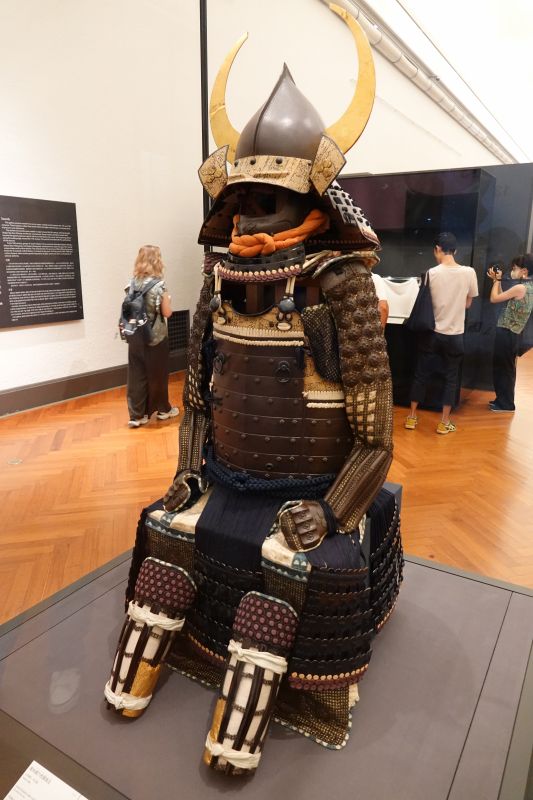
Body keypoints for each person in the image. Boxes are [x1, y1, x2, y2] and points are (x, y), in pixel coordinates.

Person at [105, 8, 403, 776]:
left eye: (265, 200)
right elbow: (200, 401)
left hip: (307, 486)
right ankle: (160, 651)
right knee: (164, 535)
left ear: (312, 201)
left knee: (293, 573)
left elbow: (373, 435)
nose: (246, 216)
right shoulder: (215, 287)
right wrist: (188, 469)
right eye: (239, 200)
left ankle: (259, 698)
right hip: (227, 475)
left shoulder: (338, 287)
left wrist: (332, 510)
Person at [405, 232, 478, 434]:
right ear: (455, 251)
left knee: (421, 374)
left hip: (432, 333)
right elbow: (468, 303)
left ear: (437, 249)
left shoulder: (431, 273)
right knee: (451, 378)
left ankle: (412, 417)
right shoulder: (469, 272)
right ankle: (444, 422)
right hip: (455, 334)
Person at [125, 245, 179, 427]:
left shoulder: (132, 284)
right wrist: (168, 300)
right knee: (158, 375)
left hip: (135, 337)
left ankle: (137, 416)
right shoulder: (159, 286)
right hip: (155, 338)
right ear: (157, 261)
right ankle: (163, 410)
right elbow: (167, 312)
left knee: (136, 376)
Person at [488, 253, 533, 411]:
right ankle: (502, 400)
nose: (512, 271)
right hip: (514, 333)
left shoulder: (520, 288)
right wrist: (498, 281)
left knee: (504, 369)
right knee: (506, 368)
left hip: (507, 332)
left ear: (524, 271)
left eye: (515, 268)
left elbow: (494, 298)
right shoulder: (528, 287)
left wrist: (497, 281)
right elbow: (502, 296)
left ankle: (506, 404)